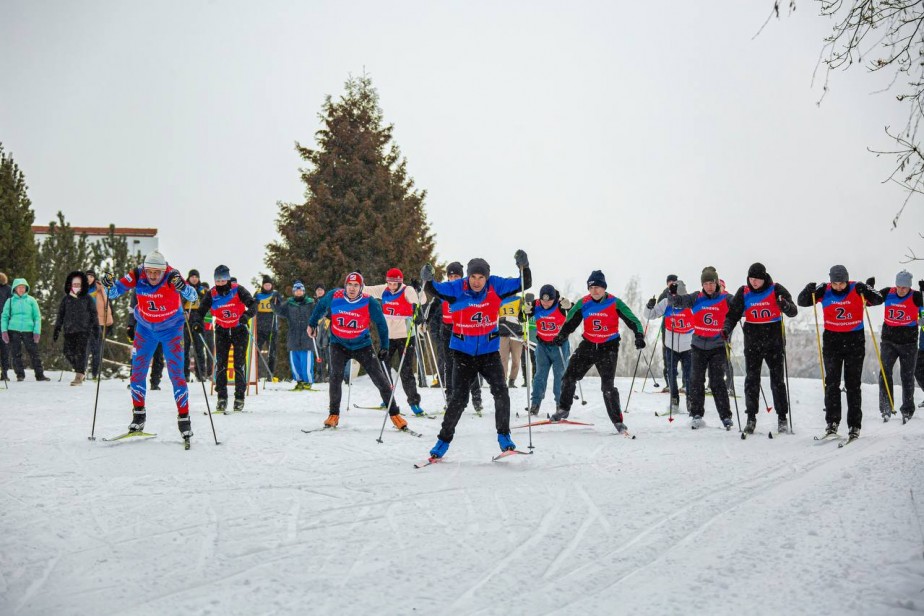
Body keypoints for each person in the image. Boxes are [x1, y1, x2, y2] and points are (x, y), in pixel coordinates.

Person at [422, 252, 531, 458]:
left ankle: (504, 436)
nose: (477, 282)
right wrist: (428, 278)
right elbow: (434, 288)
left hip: (489, 352)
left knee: (501, 392)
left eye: (481, 277)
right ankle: (443, 441)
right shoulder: (457, 287)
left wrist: (524, 267)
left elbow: (524, 283)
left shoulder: (496, 286)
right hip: (463, 353)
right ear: (468, 276)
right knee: (458, 399)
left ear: (487, 278)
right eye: (473, 277)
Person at [102, 251, 199, 441]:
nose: (153, 276)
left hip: (171, 330)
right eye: (150, 272)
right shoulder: (137, 273)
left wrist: (184, 288)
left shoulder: (172, 275)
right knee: (137, 372)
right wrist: (107, 285)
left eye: (157, 272)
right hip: (145, 329)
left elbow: (193, 296)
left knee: (176, 374)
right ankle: (138, 416)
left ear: (164, 270)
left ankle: (184, 418)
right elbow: (112, 293)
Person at [307, 272, 409, 431]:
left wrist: (385, 346)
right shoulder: (334, 295)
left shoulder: (369, 301)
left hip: (362, 346)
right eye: (349, 285)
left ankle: (395, 414)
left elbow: (381, 324)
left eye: (356, 285)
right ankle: (333, 415)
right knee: (335, 377)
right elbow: (320, 307)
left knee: (380, 379)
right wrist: (312, 323)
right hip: (339, 344)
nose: (352, 288)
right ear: (345, 285)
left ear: (361, 287)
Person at [550, 270, 644, 432]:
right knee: (568, 377)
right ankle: (563, 408)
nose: (594, 291)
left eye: (598, 287)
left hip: (608, 347)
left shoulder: (615, 302)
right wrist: (562, 335)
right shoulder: (583, 303)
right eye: (591, 287)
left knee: (607, 387)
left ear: (604, 288)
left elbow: (632, 320)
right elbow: (571, 321)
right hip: (588, 345)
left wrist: (639, 335)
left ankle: (617, 422)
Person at [797, 265, 883, 439]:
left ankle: (854, 425)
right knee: (832, 383)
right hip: (832, 341)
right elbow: (802, 301)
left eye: (841, 284)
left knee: (853, 384)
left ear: (846, 280)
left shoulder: (856, 288)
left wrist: (866, 288)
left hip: (854, 341)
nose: (838, 287)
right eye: (835, 284)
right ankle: (832, 422)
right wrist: (808, 289)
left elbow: (879, 299)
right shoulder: (824, 289)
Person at [723, 263, 798, 435]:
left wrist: (785, 306)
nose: (754, 282)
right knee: (751, 380)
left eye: (757, 279)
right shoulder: (744, 292)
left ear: (764, 278)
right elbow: (733, 315)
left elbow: (793, 311)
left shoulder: (776, 289)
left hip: (774, 342)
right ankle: (751, 418)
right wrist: (726, 329)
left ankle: (782, 417)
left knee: (777, 381)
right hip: (753, 342)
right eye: (751, 279)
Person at [672, 267, 734, 430]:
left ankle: (726, 416)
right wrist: (673, 294)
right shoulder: (696, 297)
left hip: (717, 347)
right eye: (706, 284)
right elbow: (677, 303)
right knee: (696, 381)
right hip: (698, 346)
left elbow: (739, 307)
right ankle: (696, 415)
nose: (709, 287)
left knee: (717, 382)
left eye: (712, 283)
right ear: (702, 285)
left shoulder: (725, 298)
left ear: (716, 283)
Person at [365, 268, 428, 415]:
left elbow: (422, 300)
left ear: (400, 283)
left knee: (406, 371)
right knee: (383, 368)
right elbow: (367, 290)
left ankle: (414, 402)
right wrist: (358, 281)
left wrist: (419, 290)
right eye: (390, 283)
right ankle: (388, 398)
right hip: (388, 337)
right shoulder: (384, 289)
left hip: (406, 336)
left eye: (395, 284)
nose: (392, 287)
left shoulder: (407, 290)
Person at [196, 265, 257, 412]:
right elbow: (200, 311)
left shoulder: (238, 290)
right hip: (222, 330)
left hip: (239, 329)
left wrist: (247, 315)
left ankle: (239, 398)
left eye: (223, 280)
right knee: (221, 364)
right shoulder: (212, 294)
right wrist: (197, 322)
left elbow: (253, 305)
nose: (220, 283)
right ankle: (222, 398)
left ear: (228, 279)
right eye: (217, 281)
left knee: (238, 364)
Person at [432, 261, 483, 414]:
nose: (453, 279)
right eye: (451, 276)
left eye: (456, 276)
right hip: (447, 330)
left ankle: (476, 398)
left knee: (469, 365)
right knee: (449, 366)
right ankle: (450, 398)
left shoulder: (468, 290)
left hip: (464, 329)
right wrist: (423, 319)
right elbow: (433, 306)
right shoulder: (444, 290)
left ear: (462, 277)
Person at [875, 270, 923, 423]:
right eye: (899, 287)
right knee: (884, 373)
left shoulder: (916, 296)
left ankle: (907, 409)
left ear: (909, 287)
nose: (901, 290)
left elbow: (922, 317)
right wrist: (868, 289)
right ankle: (886, 407)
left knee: (907, 376)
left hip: (908, 343)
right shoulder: (888, 293)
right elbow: (872, 300)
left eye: (904, 287)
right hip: (889, 341)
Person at [645, 279, 692, 414]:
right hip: (671, 345)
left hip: (688, 346)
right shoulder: (666, 302)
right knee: (671, 373)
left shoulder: (691, 303)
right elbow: (650, 315)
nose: (676, 300)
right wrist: (649, 306)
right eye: (674, 296)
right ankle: (674, 398)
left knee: (689, 375)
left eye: (679, 297)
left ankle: (690, 399)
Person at [524, 284, 572, 415]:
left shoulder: (561, 305)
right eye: (543, 300)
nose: (545, 303)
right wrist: (524, 311)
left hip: (559, 346)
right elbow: (522, 318)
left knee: (560, 376)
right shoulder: (535, 305)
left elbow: (575, 313)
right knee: (539, 375)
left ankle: (561, 405)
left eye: (549, 301)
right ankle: (535, 403)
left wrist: (570, 306)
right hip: (542, 346)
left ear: (554, 299)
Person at [53, 271, 99, 385]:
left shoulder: (87, 298)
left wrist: (96, 328)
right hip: (69, 330)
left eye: (79, 284)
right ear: (70, 284)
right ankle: (80, 369)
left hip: (84, 330)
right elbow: (60, 315)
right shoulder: (66, 299)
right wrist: (57, 328)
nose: (76, 286)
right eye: (74, 284)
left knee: (80, 353)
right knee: (67, 352)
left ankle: (79, 375)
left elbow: (94, 314)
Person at [1, 278, 49, 382]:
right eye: (19, 287)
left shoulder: (31, 300)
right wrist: (4, 331)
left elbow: (37, 317)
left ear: (26, 288)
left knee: (34, 353)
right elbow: (4, 317)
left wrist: (37, 331)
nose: (21, 289)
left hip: (29, 330)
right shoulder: (10, 301)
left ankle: (40, 375)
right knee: (16, 354)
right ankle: (20, 375)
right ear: (15, 289)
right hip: (13, 330)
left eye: (23, 287)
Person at [271, 280, 316, 390]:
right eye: (297, 290)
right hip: (293, 336)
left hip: (307, 336)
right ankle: (299, 381)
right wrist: (274, 302)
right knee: (295, 362)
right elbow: (279, 311)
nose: (299, 292)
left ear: (303, 291)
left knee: (306, 362)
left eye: (301, 290)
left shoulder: (310, 303)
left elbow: (319, 312)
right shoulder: (289, 304)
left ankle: (308, 381)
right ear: (294, 292)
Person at [128, 292, 165, 390]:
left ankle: (155, 382)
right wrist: (130, 325)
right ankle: (135, 380)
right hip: (142, 326)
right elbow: (132, 309)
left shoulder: (164, 288)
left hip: (159, 326)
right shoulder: (138, 289)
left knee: (158, 355)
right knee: (139, 354)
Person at [182, 269, 210, 381]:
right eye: (192, 277)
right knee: (185, 348)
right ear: (189, 278)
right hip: (186, 319)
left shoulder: (202, 290)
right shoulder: (184, 288)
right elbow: (179, 302)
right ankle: (185, 374)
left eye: (196, 277)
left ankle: (200, 373)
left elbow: (207, 303)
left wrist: (200, 294)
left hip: (198, 319)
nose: (194, 279)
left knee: (199, 347)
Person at [84, 270, 113, 379]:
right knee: (84, 348)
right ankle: (82, 372)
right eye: (87, 276)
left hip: (98, 323)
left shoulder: (101, 289)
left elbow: (107, 305)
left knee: (97, 349)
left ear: (94, 278)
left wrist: (109, 323)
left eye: (91, 276)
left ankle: (95, 373)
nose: (89, 278)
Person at [254, 275, 279, 379]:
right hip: (260, 327)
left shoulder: (275, 294)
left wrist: (276, 303)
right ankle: (255, 374)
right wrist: (255, 303)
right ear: (263, 285)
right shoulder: (258, 294)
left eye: (269, 285)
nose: (268, 287)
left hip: (272, 327)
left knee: (272, 352)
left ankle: (270, 374)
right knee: (256, 351)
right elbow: (252, 305)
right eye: (266, 285)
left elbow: (280, 306)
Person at [498, 294, 525, 388]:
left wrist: (524, 306)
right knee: (503, 359)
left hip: (516, 333)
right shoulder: (500, 299)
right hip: (503, 332)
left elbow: (524, 316)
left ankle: (512, 380)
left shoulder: (520, 299)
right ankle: (503, 379)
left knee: (516, 360)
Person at [313, 284, 330, 382]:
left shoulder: (327, 300)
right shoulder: (314, 302)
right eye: (318, 290)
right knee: (319, 353)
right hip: (318, 328)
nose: (319, 291)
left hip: (326, 328)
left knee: (328, 352)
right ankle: (319, 374)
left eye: (321, 290)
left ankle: (331, 374)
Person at [0, 272, 10, 381]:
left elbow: (11, 305)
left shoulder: (7, 289)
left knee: (4, 349)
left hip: (4, 323)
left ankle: (4, 373)